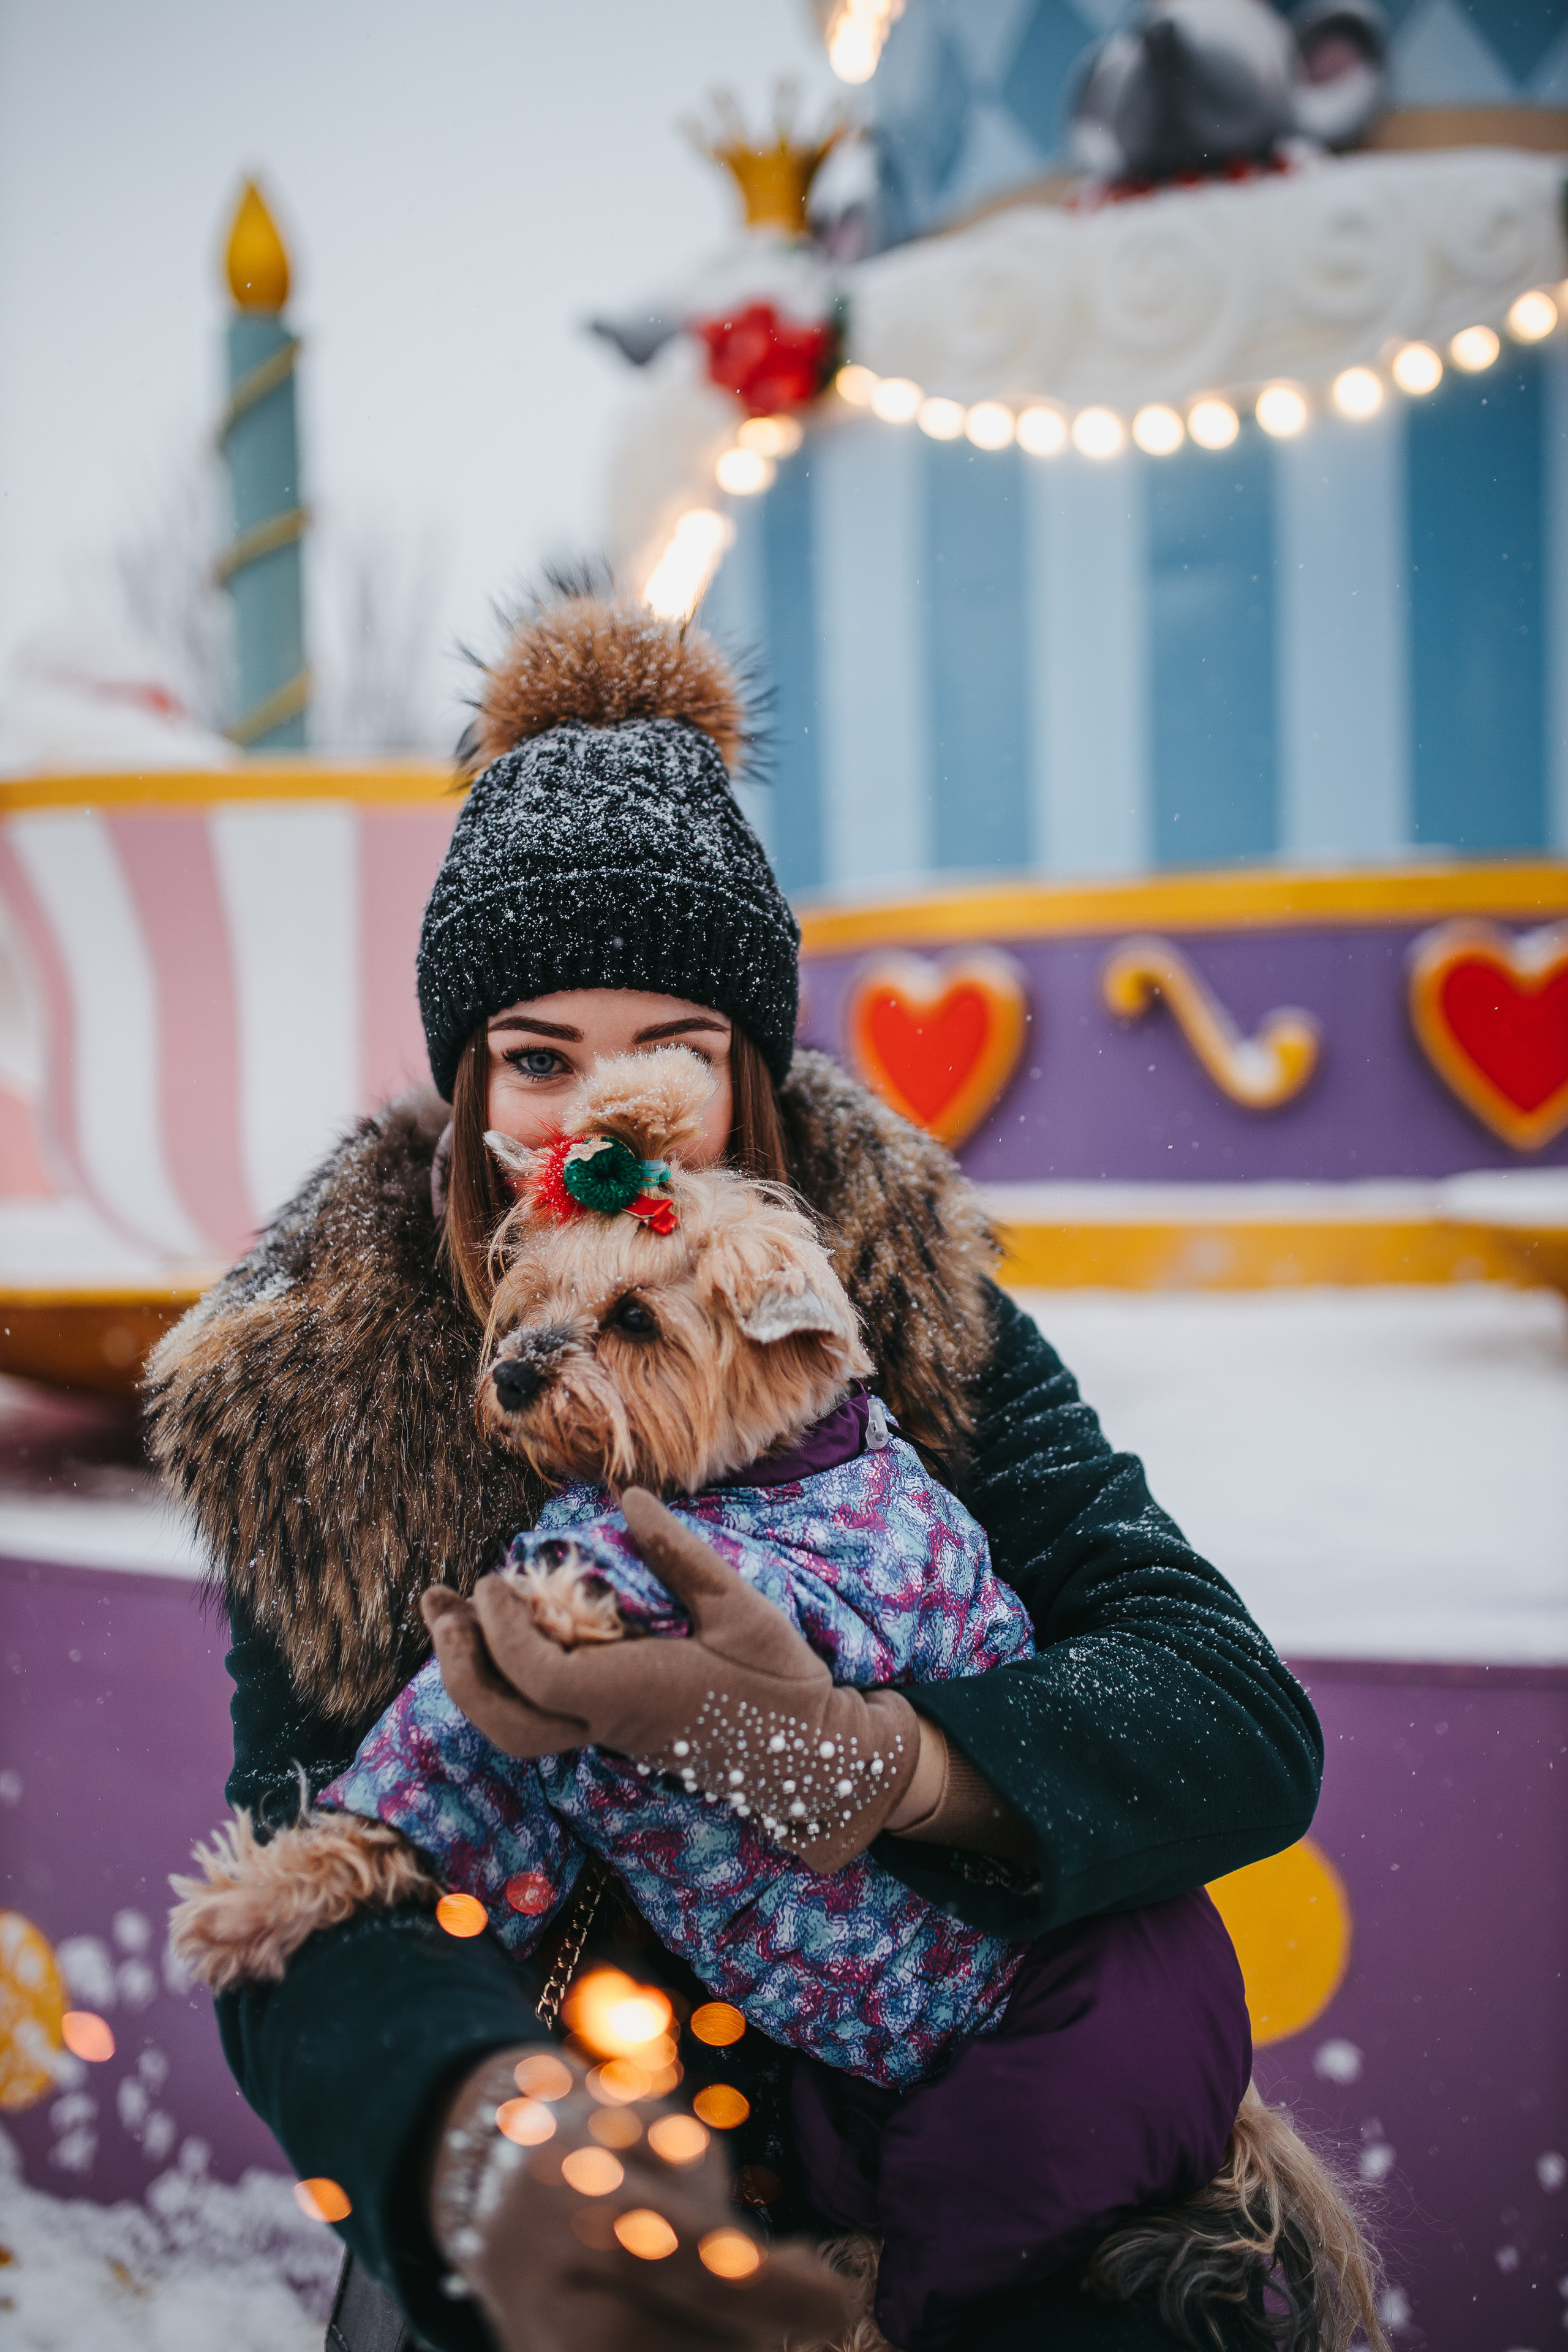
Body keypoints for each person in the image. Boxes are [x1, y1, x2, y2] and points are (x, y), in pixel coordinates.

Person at [148, 592, 1325, 2352]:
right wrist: (482, 2136)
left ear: (749, 1077)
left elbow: (1231, 1722)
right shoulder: (321, 1398)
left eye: (672, 1054)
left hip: (976, 2148)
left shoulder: (890, 1305)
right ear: (470, 1093)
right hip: (597, 2168)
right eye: (540, 1059)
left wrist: (878, 1764)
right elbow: (318, 1880)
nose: (601, 1116)